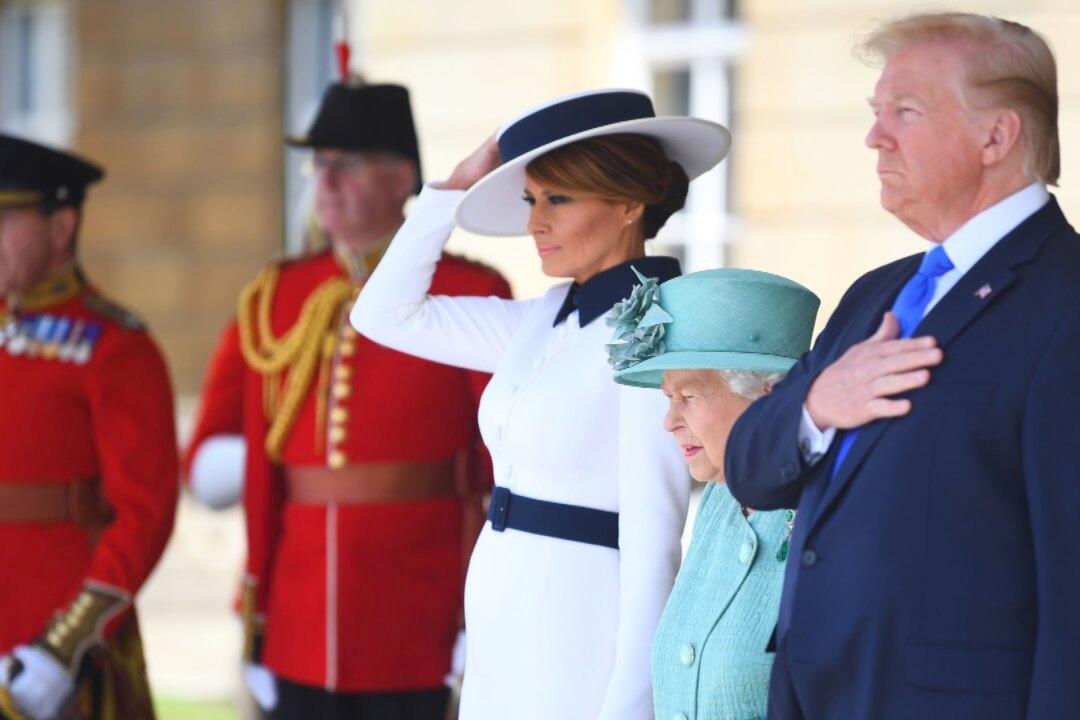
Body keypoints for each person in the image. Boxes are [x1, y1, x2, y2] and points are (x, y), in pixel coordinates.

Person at [724, 12, 1080, 718]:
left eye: (905, 112)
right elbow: (749, 468)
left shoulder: (1066, 305)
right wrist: (818, 403)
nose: (874, 136)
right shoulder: (875, 294)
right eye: (875, 112)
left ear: (996, 135)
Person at [351, 89, 730, 719]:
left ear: (630, 203)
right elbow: (383, 314)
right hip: (502, 609)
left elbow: (653, 539)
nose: (535, 222)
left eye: (558, 198)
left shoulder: (656, 331)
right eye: (531, 199)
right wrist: (449, 192)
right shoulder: (539, 320)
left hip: (581, 622)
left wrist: (633, 704)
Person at [238, 78, 511, 720]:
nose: (324, 182)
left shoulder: (468, 287)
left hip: (416, 616)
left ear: (400, 177)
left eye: (346, 165)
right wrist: (258, 613)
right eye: (318, 165)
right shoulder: (278, 294)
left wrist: (485, 610)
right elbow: (259, 466)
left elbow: (506, 458)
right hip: (298, 620)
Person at [0, 134, 178, 720]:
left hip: (58, 649)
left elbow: (144, 514)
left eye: (6, 218)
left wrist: (66, 645)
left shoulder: (116, 345)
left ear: (62, 225)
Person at [608, 268, 818, 720]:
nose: (669, 421)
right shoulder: (720, 500)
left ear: (767, 395)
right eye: (668, 397)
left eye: (689, 395)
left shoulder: (829, 510)